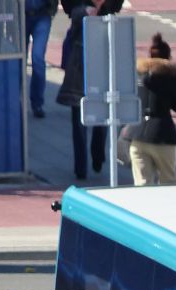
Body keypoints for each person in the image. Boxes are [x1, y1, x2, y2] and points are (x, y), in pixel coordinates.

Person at [56, 0, 122, 179]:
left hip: (103, 65)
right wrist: (85, 10)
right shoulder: (80, 12)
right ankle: (80, 167)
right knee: (78, 119)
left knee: (102, 116)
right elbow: (72, 10)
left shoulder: (109, 10)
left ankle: (98, 154)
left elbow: (116, 7)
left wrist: (103, 5)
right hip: (79, 68)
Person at [129, 33, 176, 186]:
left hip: (137, 135)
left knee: (142, 185)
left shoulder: (137, 75)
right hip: (163, 136)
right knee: (168, 183)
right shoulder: (170, 77)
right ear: (168, 57)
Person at [25, 0, 60, 117]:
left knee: (38, 58)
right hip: (22, 15)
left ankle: (37, 103)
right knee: (18, 60)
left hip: (42, 15)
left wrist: (52, 9)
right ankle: (16, 100)